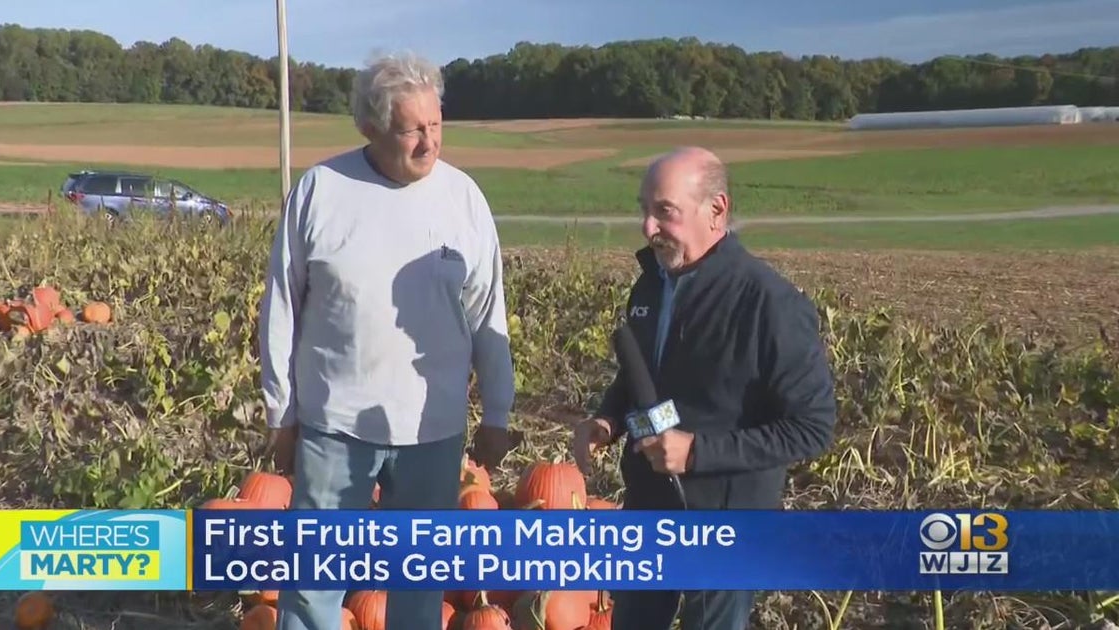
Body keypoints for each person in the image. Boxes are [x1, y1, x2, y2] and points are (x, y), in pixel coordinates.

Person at [258, 50, 517, 630]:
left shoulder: (464, 199)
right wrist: (281, 412)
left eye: (436, 124)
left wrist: (498, 412)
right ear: (370, 128)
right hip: (335, 427)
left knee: (418, 590)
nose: (429, 142)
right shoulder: (321, 191)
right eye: (411, 130)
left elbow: (487, 312)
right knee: (312, 588)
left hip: (433, 430)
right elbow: (281, 307)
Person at [571, 146, 837, 630]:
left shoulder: (769, 304)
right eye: (644, 209)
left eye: (664, 211)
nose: (648, 227)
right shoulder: (652, 284)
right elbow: (642, 373)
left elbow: (811, 427)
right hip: (650, 503)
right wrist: (608, 419)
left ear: (716, 210)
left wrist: (696, 453)